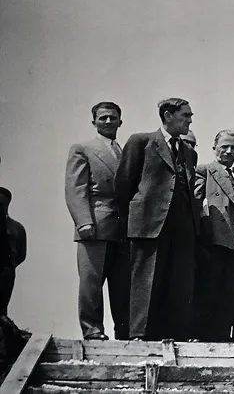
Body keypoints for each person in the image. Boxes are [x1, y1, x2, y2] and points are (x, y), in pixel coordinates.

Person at [115, 98, 201, 340]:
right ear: (167, 116)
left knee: (178, 281)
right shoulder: (141, 142)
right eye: (185, 115)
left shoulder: (188, 153)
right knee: (145, 280)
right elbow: (124, 185)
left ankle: (174, 334)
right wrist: (132, 220)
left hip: (181, 228)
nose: (190, 120)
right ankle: (138, 334)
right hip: (148, 225)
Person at [65, 101, 129, 340]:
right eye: (103, 118)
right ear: (94, 122)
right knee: (91, 283)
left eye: (113, 117)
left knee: (122, 284)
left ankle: (125, 331)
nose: (109, 122)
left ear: (120, 121)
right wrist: (84, 221)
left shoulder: (124, 151)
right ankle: (92, 330)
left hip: (122, 228)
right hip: (96, 223)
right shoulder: (83, 148)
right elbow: (75, 187)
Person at [194, 130, 234, 341]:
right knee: (210, 294)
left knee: (231, 298)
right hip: (216, 243)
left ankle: (221, 338)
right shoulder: (205, 171)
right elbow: (194, 205)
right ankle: (205, 338)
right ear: (214, 147)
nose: (229, 151)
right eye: (224, 146)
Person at [0, 189, 25, 316]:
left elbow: (22, 254)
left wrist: (10, 266)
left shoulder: (17, 227)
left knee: (3, 306)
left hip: (7, 271)